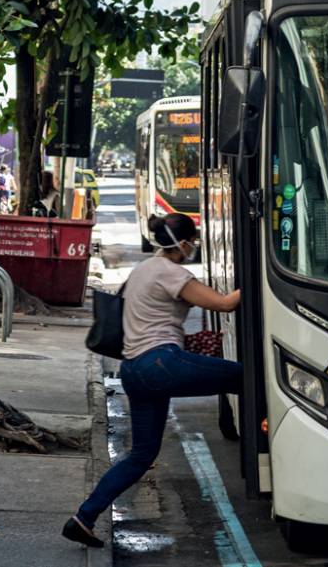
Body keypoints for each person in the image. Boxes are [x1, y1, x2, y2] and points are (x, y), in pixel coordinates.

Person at [62, 213, 242, 548]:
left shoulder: (143, 269)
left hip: (133, 370)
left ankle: (83, 518)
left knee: (141, 455)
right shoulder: (172, 273)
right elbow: (224, 304)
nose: (193, 247)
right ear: (184, 243)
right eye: (193, 242)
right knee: (242, 377)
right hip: (160, 363)